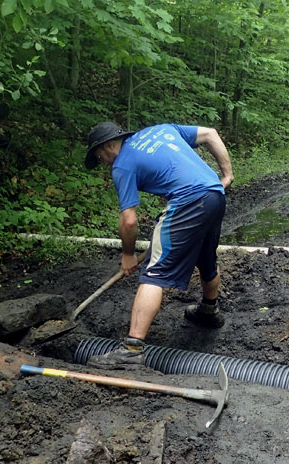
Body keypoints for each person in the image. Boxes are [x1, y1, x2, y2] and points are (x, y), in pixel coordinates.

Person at [83, 121, 233, 368]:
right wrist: (227, 176)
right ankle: (209, 310)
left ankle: (131, 350)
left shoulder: (122, 165)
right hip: (214, 194)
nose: (104, 163)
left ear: (109, 145)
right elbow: (210, 134)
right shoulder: (161, 130)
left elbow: (129, 221)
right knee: (206, 257)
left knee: (154, 272)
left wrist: (128, 254)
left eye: (101, 157)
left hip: (187, 201)